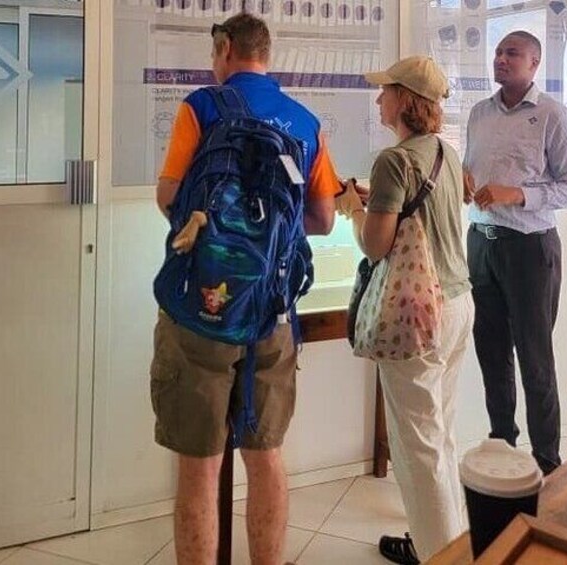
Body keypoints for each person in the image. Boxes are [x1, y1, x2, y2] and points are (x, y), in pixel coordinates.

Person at [150, 13, 339, 565]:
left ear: (226, 48)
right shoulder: (305, 122)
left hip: (200, 311)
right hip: (272, 312)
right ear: (267, 55)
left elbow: (168, 197)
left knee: (199, 466)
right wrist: (267, 235)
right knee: (267, 456)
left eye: (215, 53)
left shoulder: (201, 107)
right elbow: (324, 219)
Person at [336, 56, 474, 565]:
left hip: (418, 312)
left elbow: (376, 245)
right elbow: (421, 210)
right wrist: (375, 201)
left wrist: (354, 209)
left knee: (418, 447)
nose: (379, 99)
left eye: (386, 91)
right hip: (457, 303)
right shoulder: (446, 152)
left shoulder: (392, 160)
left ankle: (439, 556)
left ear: (405, 100)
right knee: (439, 434)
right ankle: (451, 542)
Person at [463, 30, 567, 476]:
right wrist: (463, 179)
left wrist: (518, 194)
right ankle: (503, 451)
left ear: (534, 63)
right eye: (498, 52)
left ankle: (547, 464)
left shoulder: (552, 115)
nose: (501, 59)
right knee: (491, 354)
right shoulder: (479, 113)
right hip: (481, 243)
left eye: (511, 53)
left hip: (529, 249)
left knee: (535, 362)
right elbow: (471, 167)